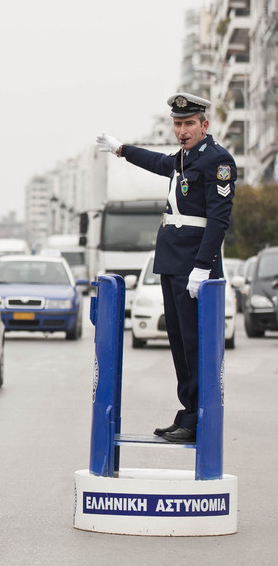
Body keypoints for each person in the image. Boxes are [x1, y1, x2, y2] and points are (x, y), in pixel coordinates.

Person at [96, 92, 236, 443]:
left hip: (194, 266)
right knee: (179, 343)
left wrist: (203, 266)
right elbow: (157, 161)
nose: (182, 130)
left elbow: (219, 220)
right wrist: (121, 149)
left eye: (189, 124)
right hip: (174, 262)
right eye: (178, 124)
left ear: (205, 125)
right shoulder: (184, 160)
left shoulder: (218, 161)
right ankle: (187, 413)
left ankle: (198, 417)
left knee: (195, 345)